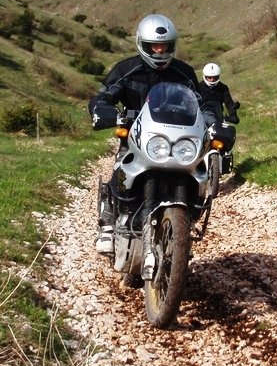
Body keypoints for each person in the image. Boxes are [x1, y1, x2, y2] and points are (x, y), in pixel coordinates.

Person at [88, 13, 217, 254]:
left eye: (164, 46)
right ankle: (107, 222)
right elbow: (104, 96)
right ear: (142, 44)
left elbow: (201, 102)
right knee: (120, 168)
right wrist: (102, 110)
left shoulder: (184, 73)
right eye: (154, 47)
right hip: (138, 137)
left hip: (176, 138)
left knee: (196, 172)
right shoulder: (126, 69)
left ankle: (183, 226)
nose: (159, 51)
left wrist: (213, 122)